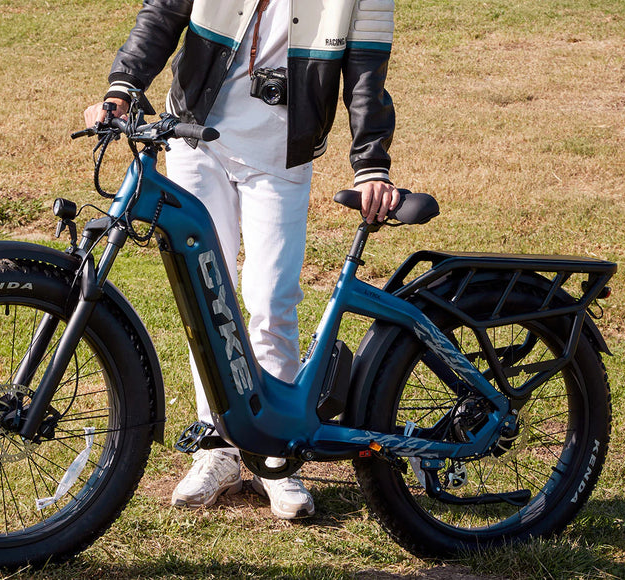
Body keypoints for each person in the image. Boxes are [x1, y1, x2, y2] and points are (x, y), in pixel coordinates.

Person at [84, 0, 399, 520]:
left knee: (270, 297)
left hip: (282, 154)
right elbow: (162, 15)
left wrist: (371, 164)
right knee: (207, 293)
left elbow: (366, 73)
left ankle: (275, 453)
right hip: (195, 140)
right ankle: (218, 445)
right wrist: (123, 86)